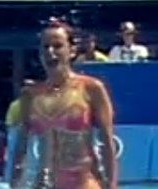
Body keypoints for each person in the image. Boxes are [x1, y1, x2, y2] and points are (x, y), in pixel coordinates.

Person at [10, 19, 116, 189]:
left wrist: (111, 185)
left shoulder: (91, 88)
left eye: (57, 46)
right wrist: (13, 184)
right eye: (45, 47)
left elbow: (106, 141)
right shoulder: (30, 94)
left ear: (72, 50)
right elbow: (21, 147)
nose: (50, 52)